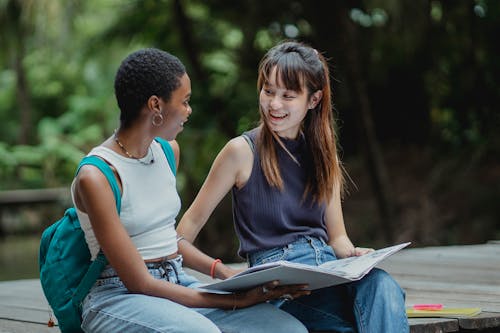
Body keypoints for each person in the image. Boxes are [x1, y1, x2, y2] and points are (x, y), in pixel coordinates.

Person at [72, 47, 311, 333]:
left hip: (175, 280)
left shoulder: (167, 151)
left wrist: (226, 273)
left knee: (287, 329)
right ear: (155, 105)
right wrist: (235, 299)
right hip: (116, 296)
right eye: (184, 102)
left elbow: (165, 240)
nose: (189, 110)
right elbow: (140, 282)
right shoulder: (97, 176)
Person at [177, 41, 410, 333]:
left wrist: (355, 257)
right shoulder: (241, 151)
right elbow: (180, 237)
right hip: (279, 288)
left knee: (382, 285)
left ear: (313, 100)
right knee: (357, 323)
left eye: (288, 96)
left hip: (326, 275)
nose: (274, 104)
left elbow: (337, 239)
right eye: (268, 91)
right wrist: (221, 271)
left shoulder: (324, 154)